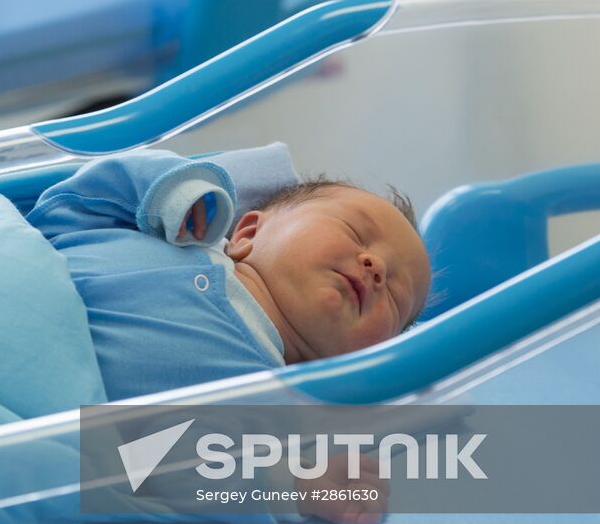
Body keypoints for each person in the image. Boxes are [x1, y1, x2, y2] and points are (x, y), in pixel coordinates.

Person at [27, 146, 432, 398]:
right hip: (14, 282)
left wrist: (294, 484)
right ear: (248, 232)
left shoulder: (267, 409)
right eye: (355, 232)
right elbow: (62, 213)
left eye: (397, 297)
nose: (377, 268)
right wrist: (171, 188)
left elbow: (149, 471)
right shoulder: (182, 231)